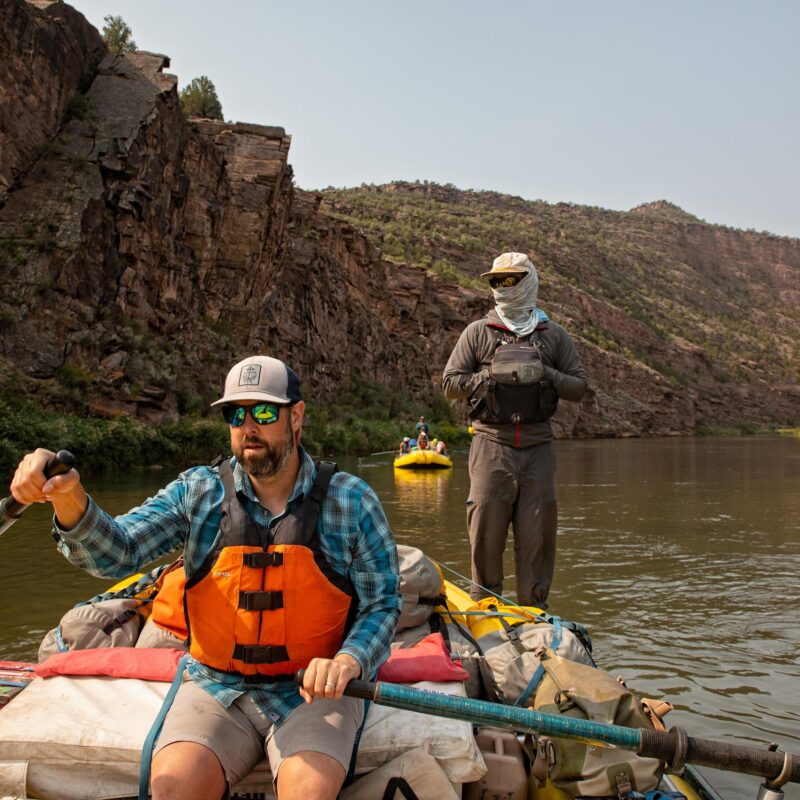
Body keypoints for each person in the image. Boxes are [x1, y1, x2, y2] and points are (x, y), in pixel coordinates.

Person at [10, 354, 401, 800]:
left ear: (297, 417)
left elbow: (382, 604)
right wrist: (69, 498)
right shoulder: (197, 491)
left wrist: (349, 661)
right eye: (236, 414)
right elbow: (121, 553)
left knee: (308, 792)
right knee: (174, 788)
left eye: (264, 411)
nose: (248, 425)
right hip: (215, 685)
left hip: (314, 693)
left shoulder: (352, 500)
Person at [442, 252, 586, 608]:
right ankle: (486, 608)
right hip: (491, 446)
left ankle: (533, 613)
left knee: (537, 538)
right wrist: (489, 374)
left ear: (529, 281)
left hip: (538, 449)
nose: (503, 287)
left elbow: (578, 387)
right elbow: (450, 385)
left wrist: (545, 372)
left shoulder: (554, 335)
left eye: (510, 280)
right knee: (485, 534)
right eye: (496, 281)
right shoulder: (478, 333)